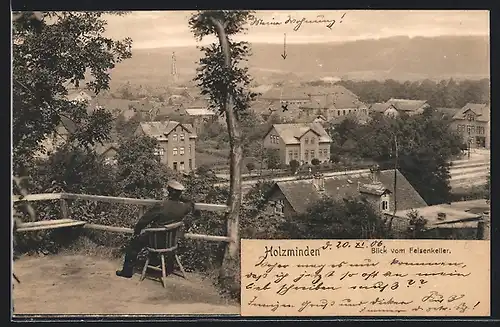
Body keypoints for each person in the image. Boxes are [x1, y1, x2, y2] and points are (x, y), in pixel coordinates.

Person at [116, 180, 196, 279]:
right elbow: (191, 202)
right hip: (171, 242)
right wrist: (179, 196)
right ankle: (158, 264)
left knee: (134, 244)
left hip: (155, 241)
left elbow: (143, 221)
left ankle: (127, 271)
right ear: (179, 194)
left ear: (168, 192)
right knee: (147, 237)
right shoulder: (183, 207)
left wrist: (136, 232)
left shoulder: (161, 205)